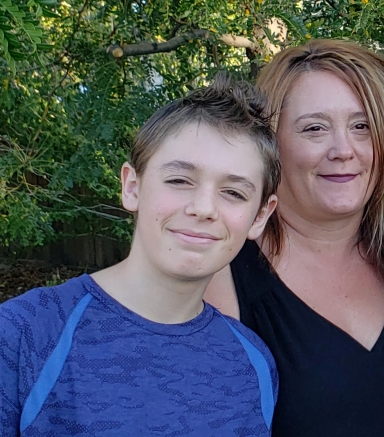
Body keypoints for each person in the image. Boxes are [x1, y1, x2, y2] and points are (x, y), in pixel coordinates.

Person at [0, 75, 280, 436]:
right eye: (180, 180)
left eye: (234, 192)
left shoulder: (253, 363)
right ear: (132, 187)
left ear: (260, 216)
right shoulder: (23, 334)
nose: (203, 208)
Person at [205, 39, 384, 437]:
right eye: (314, 129)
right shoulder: (225, 277)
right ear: (272, 145)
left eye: (362, 127)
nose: (343, 150)